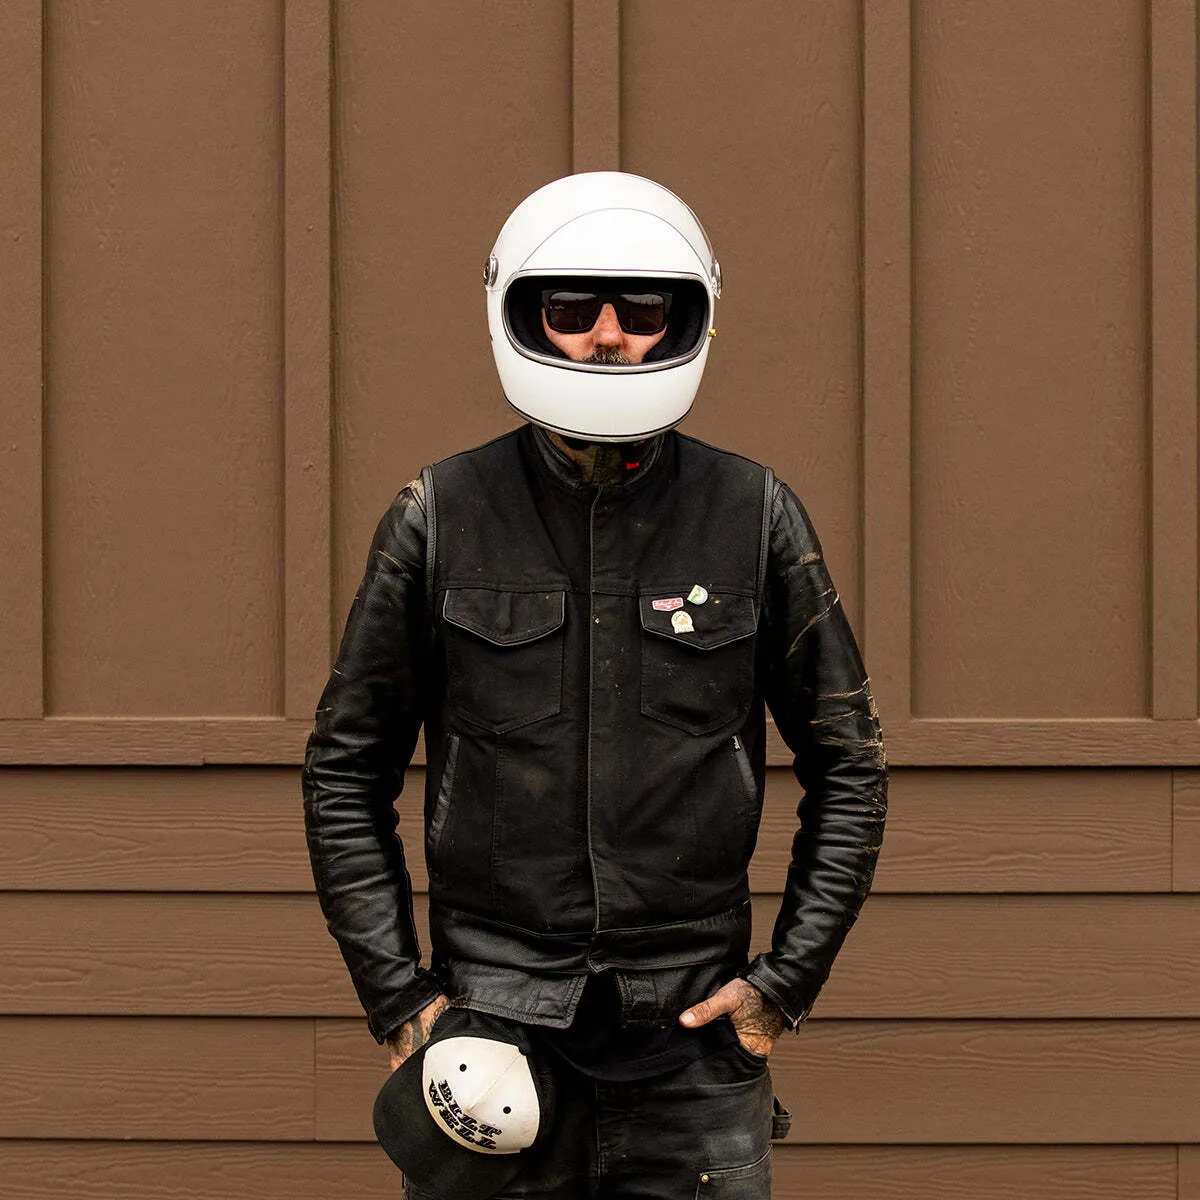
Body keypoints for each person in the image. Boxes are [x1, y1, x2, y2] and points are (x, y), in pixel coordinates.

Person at [302, 171, 888, 1198]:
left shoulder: (754, 515)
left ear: (688, 320)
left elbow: (850, 766)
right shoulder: (441, 515)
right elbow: (345, 770)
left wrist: (781, 987)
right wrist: (398, 997)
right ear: (520, 313)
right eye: (571, 309)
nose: (607, 336)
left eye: (643, 308)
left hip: (696, 1048)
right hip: (490, 1042)